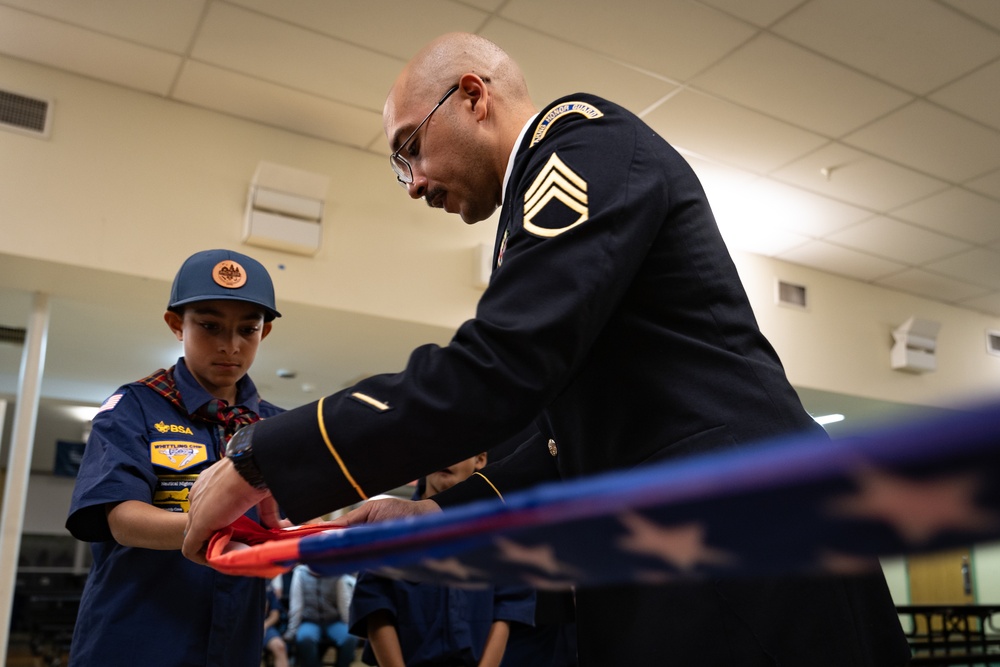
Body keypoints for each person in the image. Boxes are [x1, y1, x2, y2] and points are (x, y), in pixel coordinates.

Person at [182, 33, 911, 665]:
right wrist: (441, 514)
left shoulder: (585, 144)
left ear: (473, 95)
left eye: (410, 148)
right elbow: (558, 436)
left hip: (743, 534)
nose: (413, 183)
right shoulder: (537, 198)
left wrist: (264, 456)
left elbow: (498, 368)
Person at [67, 248, 284, 666]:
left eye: (248, 330)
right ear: (175, 325)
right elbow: (120, 518)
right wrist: (214, 530)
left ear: (265, 332)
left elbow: (294, 520)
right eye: (210, 326)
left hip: (234, 642)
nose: (230, 345)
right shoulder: (135, 407)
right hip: (136, 638)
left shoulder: (274, 427)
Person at [349, 453, 537, 667]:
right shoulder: (390, 529)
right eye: (438, 447)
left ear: (480, 459)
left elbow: (508, 607)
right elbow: (375, 606)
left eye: (458, 448)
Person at [285, 564, 358, 667]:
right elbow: (296, 605)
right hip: (310, 621)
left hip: (334, 621)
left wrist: (350, 626)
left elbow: (344, 604)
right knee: (304, 638)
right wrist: (292, 631)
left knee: (349, 638)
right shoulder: (300, 573)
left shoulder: (337, 574)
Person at [264, 581, 290, 667]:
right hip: (241, 627)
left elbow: (275, 615)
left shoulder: (267, 587)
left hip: (265, 626)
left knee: (280, 647)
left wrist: (263, 626)